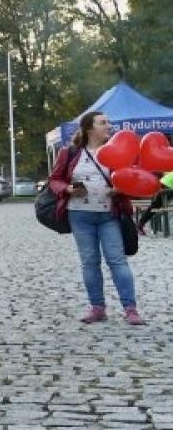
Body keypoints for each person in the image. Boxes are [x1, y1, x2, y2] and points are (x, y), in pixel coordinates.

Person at [48, 111, 146, 326]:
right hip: (79, 215)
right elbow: (54, 180)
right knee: (89, 262)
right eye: (103, 123)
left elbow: (132, 178)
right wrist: (68, 189)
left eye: (108, 122)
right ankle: (97, 308)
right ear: (89, 128)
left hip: (109, 215)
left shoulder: (118, 151)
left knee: (117, 260)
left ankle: (130, 309)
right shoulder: (69, 153)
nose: (108, 126)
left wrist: (120, 188)